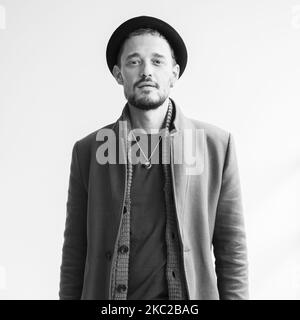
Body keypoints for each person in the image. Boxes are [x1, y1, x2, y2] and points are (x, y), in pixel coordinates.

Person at [59, 15, 249, 300]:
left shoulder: (216, 146)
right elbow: (75, 250)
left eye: (157, 61)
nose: (146, 71)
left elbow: (232, 250)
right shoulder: (88, 151)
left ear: (174, 73)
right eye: (134, 62)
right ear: (118, 73)